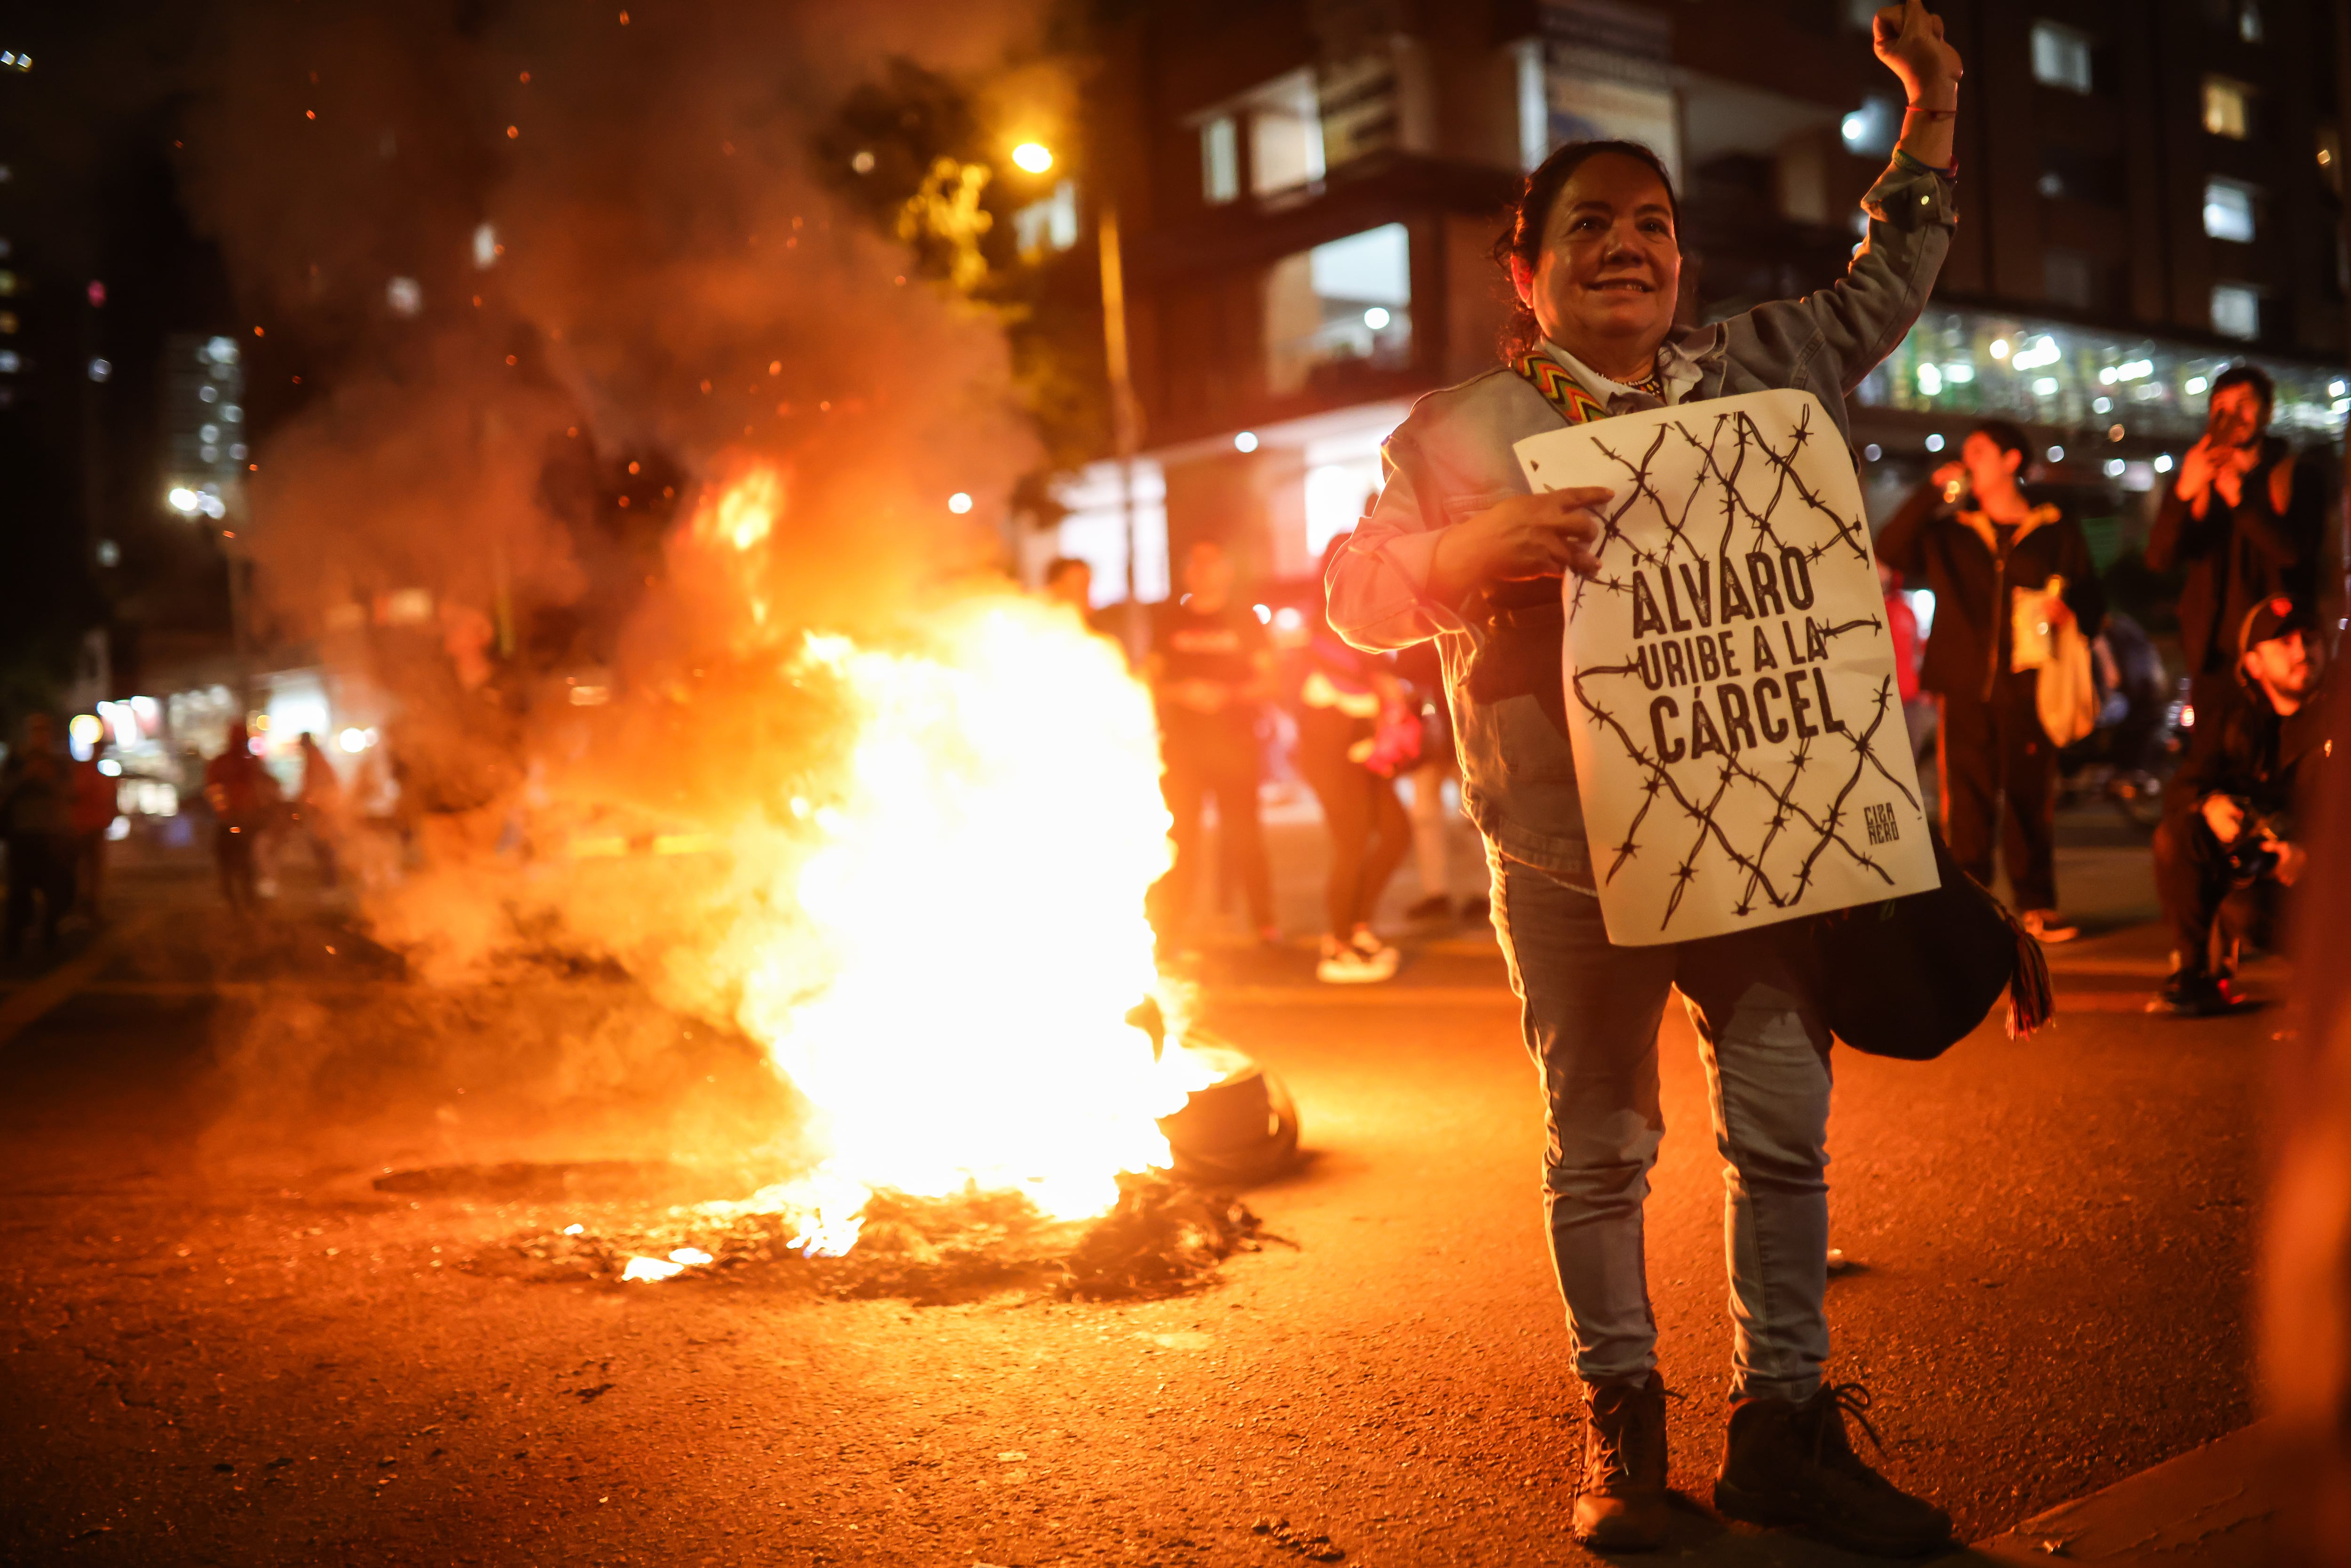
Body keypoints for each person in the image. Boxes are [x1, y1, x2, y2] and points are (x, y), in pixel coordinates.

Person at [1325, 4, 1962, 1553]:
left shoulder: (1744, 376)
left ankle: (1786, 1428)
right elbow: (1352, 593)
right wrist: (1461, 551)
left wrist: (1931, 105)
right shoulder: (1458, 429)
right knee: (1602, 1146)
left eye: (1658, 227)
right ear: (1525, 267)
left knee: (1785, 1121)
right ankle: (1622, 1437)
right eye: (1593, 225)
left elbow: (1886, 286)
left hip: (1752, 843)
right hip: (1562, 850)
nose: (1634, 247)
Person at [1876, 419, 2106, 942]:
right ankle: (1970, 909)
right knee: (1967, 801)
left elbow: (2093, 601)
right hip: (1962, 687)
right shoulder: (1951, 530)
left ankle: (2037, 903)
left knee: (2029, 796)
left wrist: (2067, 608)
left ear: (2010, 461)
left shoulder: (2054, 528)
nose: (1967, 459)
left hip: (2031, 683)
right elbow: (1889, 549)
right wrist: (1931, 490)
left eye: (1979, 450)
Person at [2149, 596, 2332, 1015]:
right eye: (2284, 644)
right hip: (2267, 880)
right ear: (2253, 664)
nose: (2302, 652)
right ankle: (2196, 973)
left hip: (2329, 881)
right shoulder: (2235, 719)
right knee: (2180, 834)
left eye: (2310, 639)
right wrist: (2211, 806)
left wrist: (2311, 856)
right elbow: (2182, 791)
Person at [2146, 363, 2329, 755]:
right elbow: (2159, 559)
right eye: (2222, 406)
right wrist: (2183, 493)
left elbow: (2292, 553)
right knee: (2216, 773)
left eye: (2245, 405)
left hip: (2279, 657)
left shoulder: (2296, 475)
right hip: (2215, 663)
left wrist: (2240, 498)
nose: (2232, 416)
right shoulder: (2199, 479)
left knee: (2284, 764)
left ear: (2267, 412)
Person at [1291, 535, 1412, 982]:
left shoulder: (1372, 619)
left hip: (1367, 752)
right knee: (1352, 843)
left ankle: (1358, 926)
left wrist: (1388, 697)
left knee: (1397, 835)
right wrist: (1380, 700)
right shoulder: (1320, 626)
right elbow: (1334, 689)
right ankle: (1337, 944)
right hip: (1329, 754)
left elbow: (1384, 681)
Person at [1147, 538, 1278, 954]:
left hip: (1236, 747)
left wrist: (1230, 695)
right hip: (1184, 751)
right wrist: (1180, 692)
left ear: (1227, 570)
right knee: (1180, 837)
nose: (1202, 570)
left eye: (1211, 561)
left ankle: (1265, 924)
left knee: (1245, 836)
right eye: (1195, 562)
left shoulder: (1244, 620)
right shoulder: (1169, 620)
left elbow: (1271, 681)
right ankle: (1172, 930)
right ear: (1186, 572)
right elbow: (1149, 679)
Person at [1, 714, 78, 957]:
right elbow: (5, 792)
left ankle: (51, 932)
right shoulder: (16, 761)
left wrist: (49, 780)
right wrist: (26, 778)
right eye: (35, 730)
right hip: (23, 835)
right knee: (20, 889)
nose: (40, 735)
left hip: (52, 835)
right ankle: (15, 939)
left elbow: (70, 794)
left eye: (44, 730)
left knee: (57, 887)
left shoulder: (58, 762)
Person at [204, 719, 275, 914]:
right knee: (240, 863)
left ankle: (238, 901)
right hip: (239, 822)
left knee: (233, 863)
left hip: (236, 822)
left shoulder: (236, 762)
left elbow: (214, 790)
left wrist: (225, 814)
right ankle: (243, 900)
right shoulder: (249, 762)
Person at [68, 741, 118, 922]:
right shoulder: (85, 773)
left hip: (95, 828)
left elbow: (109, 800)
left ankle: (91, 908)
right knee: (85, 870)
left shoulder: (99, 774)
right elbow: (75, 795)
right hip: (83, 829)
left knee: (94, 871)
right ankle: (83, 907)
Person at [292, 731, 344, 888]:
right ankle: (329, 880)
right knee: (323, 843)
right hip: (323, 807)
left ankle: (330, 881)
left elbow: (312, 785)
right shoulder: (316, 756)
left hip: (322, 808)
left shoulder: (314, 758)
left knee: (323, 843)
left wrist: (303, 802)